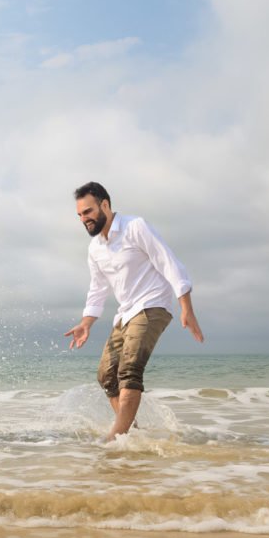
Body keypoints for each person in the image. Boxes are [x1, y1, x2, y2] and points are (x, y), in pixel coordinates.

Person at [64, 182, 203, 442]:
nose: (84, 219)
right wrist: (86, 323)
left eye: (88, 211)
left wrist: (186, 307)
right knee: (106, 375)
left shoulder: (135, 227)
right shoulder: (95, 248)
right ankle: (132, 431)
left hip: (152, 305)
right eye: (80, 215)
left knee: (129, 370)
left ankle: (117, 436)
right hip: (126, 313)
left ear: (105, 205)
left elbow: (169, 262)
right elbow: (97, 289)